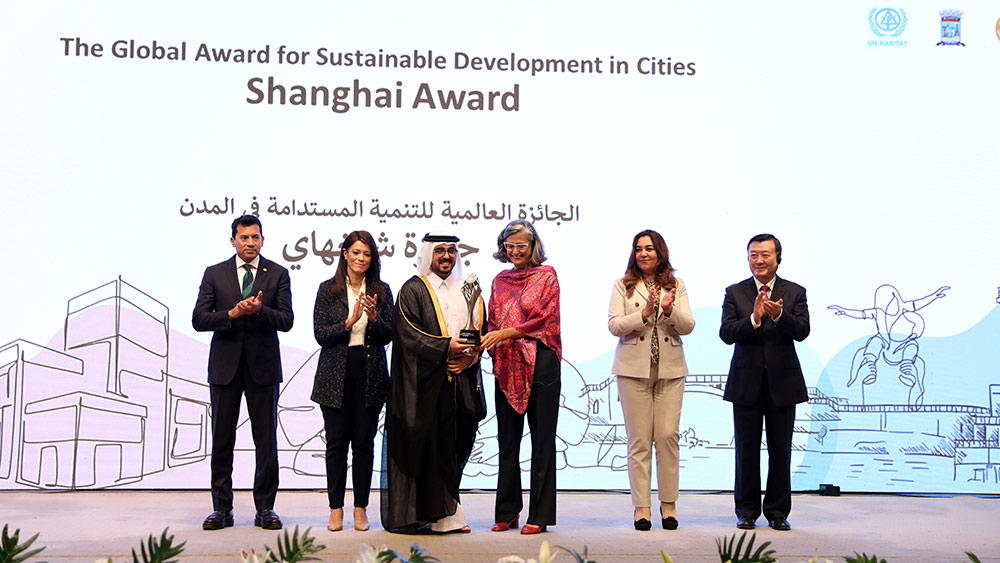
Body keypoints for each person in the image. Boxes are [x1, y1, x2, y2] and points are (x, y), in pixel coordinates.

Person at [193, 214, 294, 531]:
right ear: (233, 240)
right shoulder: (215, 273)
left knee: (266, 441)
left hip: (263, 368)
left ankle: (265, 508)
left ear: (262, 240)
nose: (250, 243)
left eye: (255, 237)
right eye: (244, 237)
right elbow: (199, 319)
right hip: (225, 367)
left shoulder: (277, 273)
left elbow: (287, 320)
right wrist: (232, 313)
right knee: (222, 440)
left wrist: (261, 310)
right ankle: (222, 509)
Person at [381, 232, 487, 534]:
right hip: (424, 387)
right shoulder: (413, 288)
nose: (446, 256)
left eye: (451, 251)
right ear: (428, 254)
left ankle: (447, 513)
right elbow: (408, 335)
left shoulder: (467, 289)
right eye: (440, 250)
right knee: (428, 451)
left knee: (456, 446)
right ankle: (428, 516)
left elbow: (479, 331)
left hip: (460, 384)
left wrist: (470, 359)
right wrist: (446, 347)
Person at [719, 233, 809, 532]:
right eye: (753, 255)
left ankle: (777, 512)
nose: (758, 260)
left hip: (783, 383)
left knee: (780, 452)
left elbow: (802, 331)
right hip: (746, 383)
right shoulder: (735, 292)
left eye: (765, 255)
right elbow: (726, 333)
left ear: (777, 258)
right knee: (746, 452)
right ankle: (746, 511)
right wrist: (754, 319)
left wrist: (780, 315)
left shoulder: (795, 292)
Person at [607, 230, 694, 531]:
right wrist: (643, 315)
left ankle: (668, 505)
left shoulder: (676, 285)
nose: (643, 253)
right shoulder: (623, 285)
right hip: (632, 371)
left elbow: (688, 325)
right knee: (639, 441)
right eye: (638, 249)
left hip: (671, 370)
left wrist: (669, 310)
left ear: (660, 252)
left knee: (668, 437)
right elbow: (614, 326)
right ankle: (641, 508)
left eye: (649, 248)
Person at [480, 220, 561, 535]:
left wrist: (507, 333)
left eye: (520, 246)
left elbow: (545, 319)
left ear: (533, 246)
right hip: (507, 363)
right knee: (507, 440)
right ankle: (507, 511)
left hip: (541, 361)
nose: (514, 251)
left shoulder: (547, 276)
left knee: (542, 441)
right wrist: (491, 341)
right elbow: (492, 320)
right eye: (509, 246)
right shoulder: (499, 280)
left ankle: (540, 515)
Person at [310, 231, 393, 532]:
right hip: (335, 374)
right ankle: (335, 509)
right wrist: (349, 321)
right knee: (336, 445)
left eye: (367, 254)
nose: (361, 259)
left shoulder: (381, 290)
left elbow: (388, 335)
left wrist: (374, 318)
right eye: (356, 252)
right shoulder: (327, 289)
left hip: (369, 372)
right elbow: (321, 334)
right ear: (345, 254)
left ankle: (361, 508)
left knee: (364, 444)